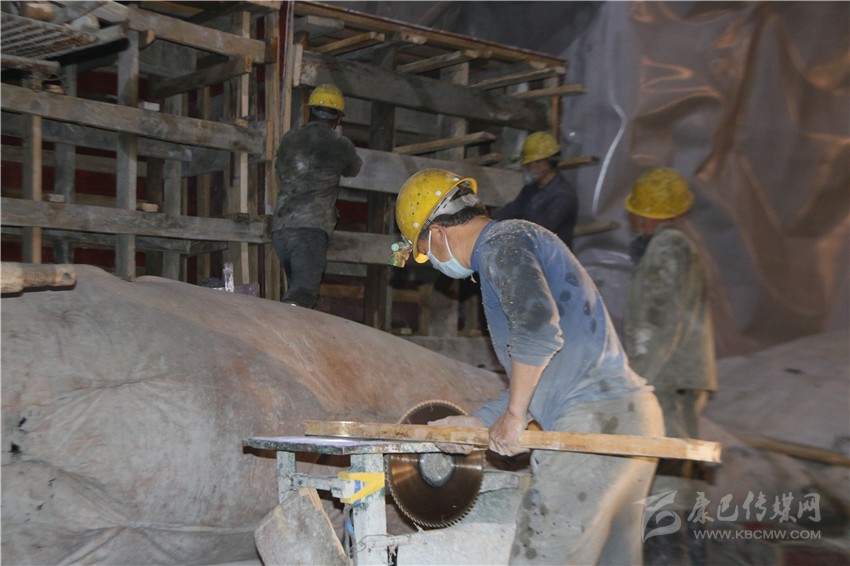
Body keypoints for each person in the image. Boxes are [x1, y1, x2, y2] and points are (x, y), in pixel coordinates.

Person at [389, 168, 664, 565]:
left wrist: (515, 417)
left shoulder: (500, 245)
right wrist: (480, 422)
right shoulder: (520, 240)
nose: (431, 262)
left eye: (423, 252)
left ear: (437, 233)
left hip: (591, 428)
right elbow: (547, 373)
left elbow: (537, 332)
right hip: (631, 418)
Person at [622, 168, 718, 565]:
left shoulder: (666, 249)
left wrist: (636, 381)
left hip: (665, 379)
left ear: (645, 215)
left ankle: (666, 557)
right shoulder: (681, 247)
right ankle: (694, 555)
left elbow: (656, 322)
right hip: (681, 375)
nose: (632, 218)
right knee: (683, 473)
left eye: (636, 211)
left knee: (664, 472)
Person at [272, 84, 362, 308]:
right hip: (310, 231)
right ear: (338, 118)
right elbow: (354, 169)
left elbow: (279, 167)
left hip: (281, 230)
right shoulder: (339, 145)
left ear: (309, 111)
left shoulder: (290, 139)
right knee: (302, 294)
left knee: (295, 287)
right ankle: (281, 327)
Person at [494, 131, 579, 248]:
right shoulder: (531, 189)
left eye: (529, 163)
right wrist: (487, 222)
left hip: (552, 256)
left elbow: (541, 230)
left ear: (544, 163)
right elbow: (511, 210)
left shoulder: (563, 196)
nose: (525, 167)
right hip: (533, 251)